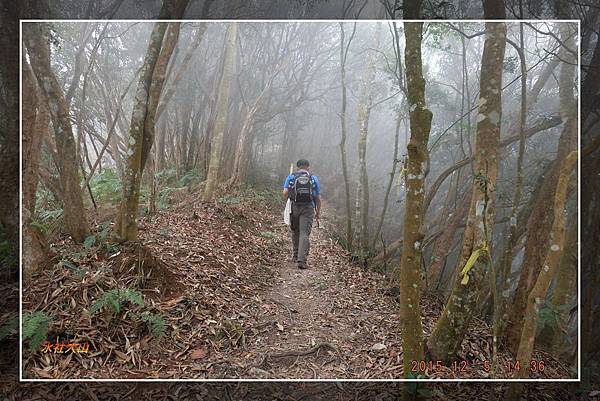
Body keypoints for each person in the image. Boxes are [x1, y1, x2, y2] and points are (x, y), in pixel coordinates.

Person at [282, 159, 321, 269]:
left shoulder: (291, 177)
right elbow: (318, 198)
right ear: (308, 167)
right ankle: (302, 260)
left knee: (295, 231)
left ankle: (295, 255)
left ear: (297, 167)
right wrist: (318, 212)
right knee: (304, 233)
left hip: (294, 207)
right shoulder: (313, 178)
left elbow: (284, 193)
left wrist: (290, 197)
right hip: (308, 208)